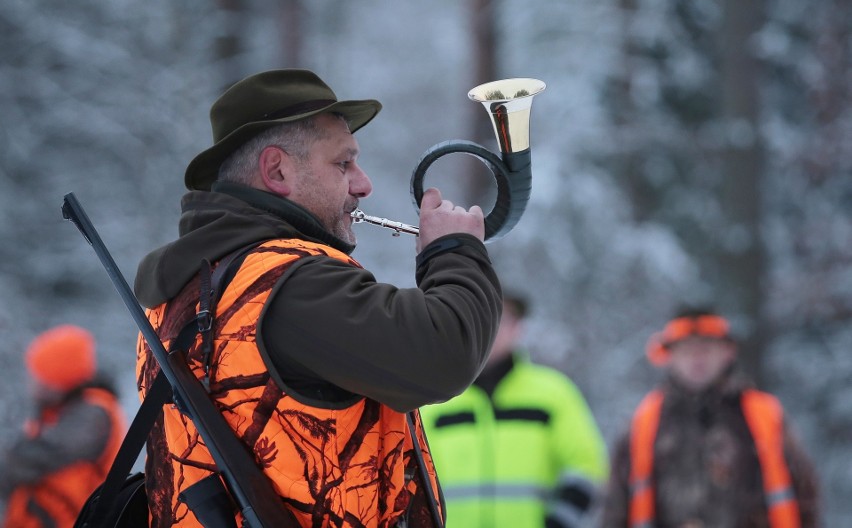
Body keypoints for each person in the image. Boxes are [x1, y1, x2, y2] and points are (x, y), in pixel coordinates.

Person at [132, 68, 502, 527]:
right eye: (342, 163)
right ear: (277, 170)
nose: (363, 184)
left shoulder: (180, 293)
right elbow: (445, 352)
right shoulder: (289, 282)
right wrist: (454, 252)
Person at [599, 307, 820, 528]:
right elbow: (616, 506)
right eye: (687, 350)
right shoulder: (644, 422)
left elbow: (804, 497)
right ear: (669, 356)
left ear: (727, 352)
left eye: (706, 348)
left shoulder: (763, 415)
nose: (697, 358)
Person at [420, 293, 610, 527]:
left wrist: (561, 521)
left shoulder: (553, 394)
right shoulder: (435, 400)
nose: (489, 328)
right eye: (479, 317)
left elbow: (587, 466)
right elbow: (413, 475)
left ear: (517, 327)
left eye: (500, 318)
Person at [0, 324, 126, 528]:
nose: (31, 382)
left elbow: (38, 457)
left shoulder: (93, 414)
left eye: (39, 376)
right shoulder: (56, 411)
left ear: (56, 381)